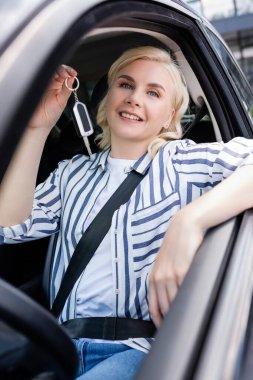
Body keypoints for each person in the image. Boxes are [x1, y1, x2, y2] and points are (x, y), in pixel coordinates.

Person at [0, 45, 253, 379]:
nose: (135, 98)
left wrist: (190, 220)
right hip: (60, 347)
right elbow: (10, 226)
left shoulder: (180, 161)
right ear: (108, 98)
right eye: (125, 84)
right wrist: (37, 128)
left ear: (169, 116)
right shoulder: (72, 172)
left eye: (153, 92)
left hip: (137, 351)